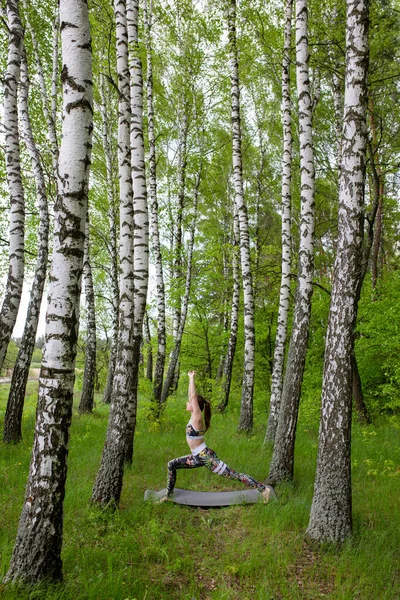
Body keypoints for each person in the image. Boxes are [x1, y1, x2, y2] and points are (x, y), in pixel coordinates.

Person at [159, 370, 274, 503]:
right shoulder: (193, 417)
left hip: (206, 457)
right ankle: (168, 495)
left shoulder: (197, 418)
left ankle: (264, 490)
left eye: (189, 402)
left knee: (235, 475)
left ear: (195, 405)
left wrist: (191, 378)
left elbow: (194, 397)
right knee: (171, 464)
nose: (187, 403)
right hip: (197, 457)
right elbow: (192, 397)